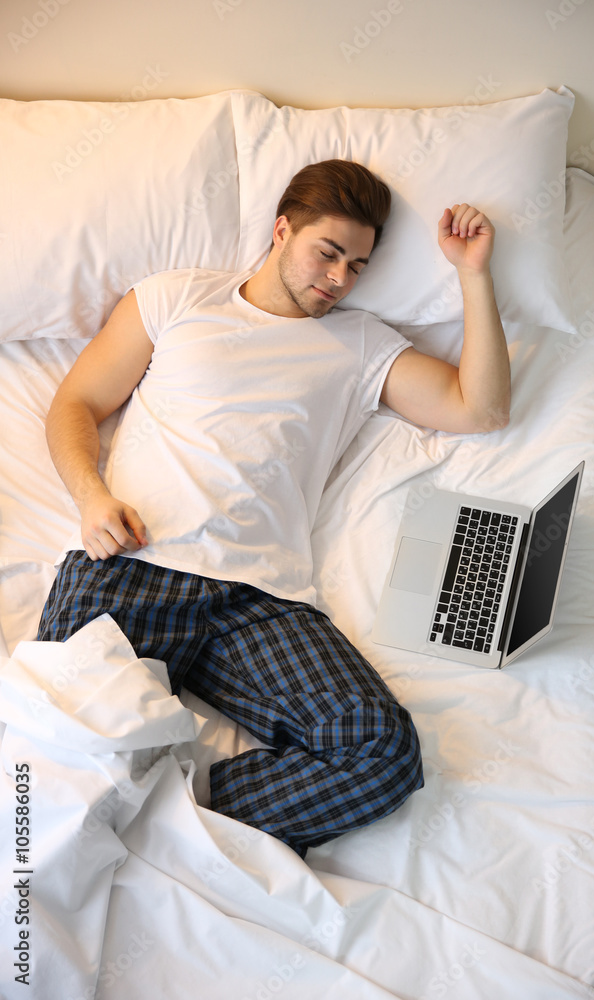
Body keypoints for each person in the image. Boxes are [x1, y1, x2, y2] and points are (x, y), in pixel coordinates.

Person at [37, 159, 510, 858]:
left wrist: (472, 273)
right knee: (54, 780)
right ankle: (118, 806)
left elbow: (482, 409)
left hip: (260, 601)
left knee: (381, 755)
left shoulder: (361, 344)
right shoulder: (176, 298)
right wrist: (91, 495)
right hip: (135, 564)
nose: (339, 278)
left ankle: (179, 817)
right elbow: (75, 404)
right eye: (328, 253)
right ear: (282, 230)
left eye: (357, 266)